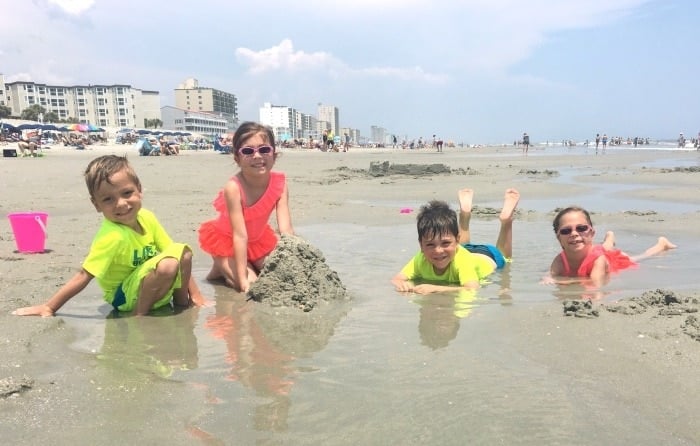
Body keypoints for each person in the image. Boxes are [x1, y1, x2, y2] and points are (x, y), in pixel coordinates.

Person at [13, 155, 204, 317]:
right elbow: (84, 275)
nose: (121, 204)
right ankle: (139, 317)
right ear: (96, 205)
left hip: (153, 289)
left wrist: (197, 296)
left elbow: (176, 253)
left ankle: (183, 304)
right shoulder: (112, 236)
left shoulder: (147, 217)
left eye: (127, 193)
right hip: (124, 298)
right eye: (108, 199)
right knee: (169, 264)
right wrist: (49, 306)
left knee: (183, 253)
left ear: (139, 189)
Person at [198, 121, 295, 292]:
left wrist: (296, 258)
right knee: (253, 285)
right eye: (248, 151)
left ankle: (222, 271)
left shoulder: (280, 183)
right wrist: (242, 281)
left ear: (274, 154)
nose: (257, 156)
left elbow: (286, 229)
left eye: (264, 150)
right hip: (229, 241)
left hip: (258, 241)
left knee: (282, 273)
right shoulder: (234, 188)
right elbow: (240, 236)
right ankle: (223, 265)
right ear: (237, 158)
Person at [391, 188, 519, 294]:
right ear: (421, 245)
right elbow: (396, 279)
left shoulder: (463, 262)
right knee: (457, 244)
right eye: (430, 245)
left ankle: (506, 221)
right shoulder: (421, 258)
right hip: (462, 250)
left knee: (505, 258)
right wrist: (403, 285)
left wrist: (436, 288)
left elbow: (472, 288)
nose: (438, 250)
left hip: (488, 256)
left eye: (444, 244)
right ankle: (464, 215)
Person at [543, 206, 676, 287]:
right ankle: (609, 238)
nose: (574, 234)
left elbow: (595, 284)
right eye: (566, 231)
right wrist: (547, 278)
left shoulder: (598, 261)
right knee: (605, 248)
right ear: (559, 238)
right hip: (599, 250)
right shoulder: (560, 260)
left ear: (592, 233)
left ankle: (661, 244)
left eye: (581, 228)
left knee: (639, 257)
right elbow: (550, 275)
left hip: (611, 260)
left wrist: (565, 282)